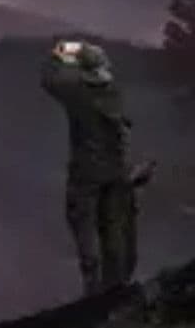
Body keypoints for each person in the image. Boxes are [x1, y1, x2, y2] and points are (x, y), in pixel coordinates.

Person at [41, 41, 148, 295]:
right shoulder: (113, 93)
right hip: (116, 172)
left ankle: (92, 286)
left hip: (86, 174)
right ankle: (114, 288)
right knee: (113, 230)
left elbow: (47, 77)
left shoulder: (76, 93)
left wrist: (68, 49)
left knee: (84, 227)